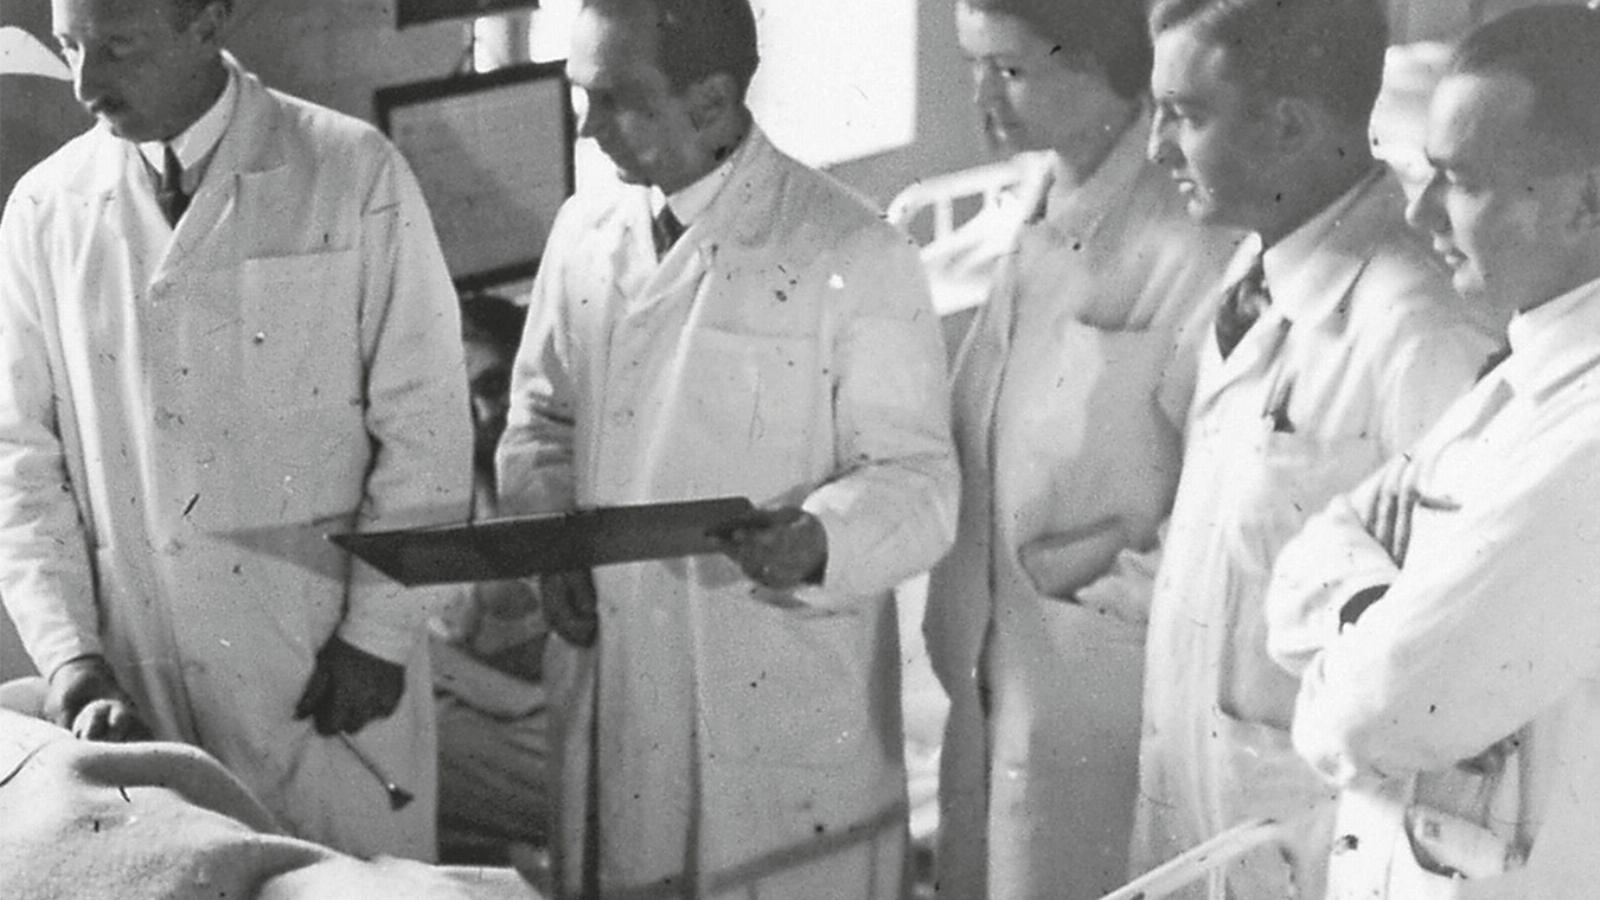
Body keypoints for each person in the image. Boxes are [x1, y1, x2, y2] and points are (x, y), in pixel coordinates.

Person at [496, 0, 959, 896]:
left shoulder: (851, 250)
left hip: (769, 688)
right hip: (614, 672)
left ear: (709, 100)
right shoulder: (584, 232)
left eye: (615, 101)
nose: (586, 129)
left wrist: (822, 538)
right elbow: (539, 418)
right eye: (581, 96)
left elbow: (919, 479)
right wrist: (553, 537)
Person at [0, 0, 472, 861]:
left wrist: (378, 634)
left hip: (323, 674)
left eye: (118, 47)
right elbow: (20, 460)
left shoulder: (353, 171)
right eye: (70, 47)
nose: (85, 85)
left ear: (209, 20)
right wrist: (70, 655)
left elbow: (427, 424)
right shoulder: (44, 208)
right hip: (142, 676)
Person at [1108, 0, 1506, 893]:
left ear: (1289, 125)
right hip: (1200, 809)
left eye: (1185, 115)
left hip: (1316, 848)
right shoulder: (1255, 271)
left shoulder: (1419, 333)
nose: (1155, 148)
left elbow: (1451, 674)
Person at [1266, 6, 1600, 896]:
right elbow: (1299, 568)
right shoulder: (1522, 377)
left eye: (1459, 180)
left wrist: (1369, 610)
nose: (1418, 213)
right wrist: (1382, 608)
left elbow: (1367, 717)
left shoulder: (1587, 442)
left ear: (1587, 203)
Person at [920, 0, 1237, 896]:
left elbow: (1223, 509)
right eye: (973, 65)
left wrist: (1099, 590)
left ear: (1103, 65)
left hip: (1100, 678)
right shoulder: (1037, 195)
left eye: (1010, 70)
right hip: (997, 661)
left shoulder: (1196, 242)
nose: (981, 98)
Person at [433, 295, 552, 862]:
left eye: (495, 384)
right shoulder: (448, 496)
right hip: (493, 732)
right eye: (462, 399)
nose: (484, 413)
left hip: (561, 728)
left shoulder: (568, 479)